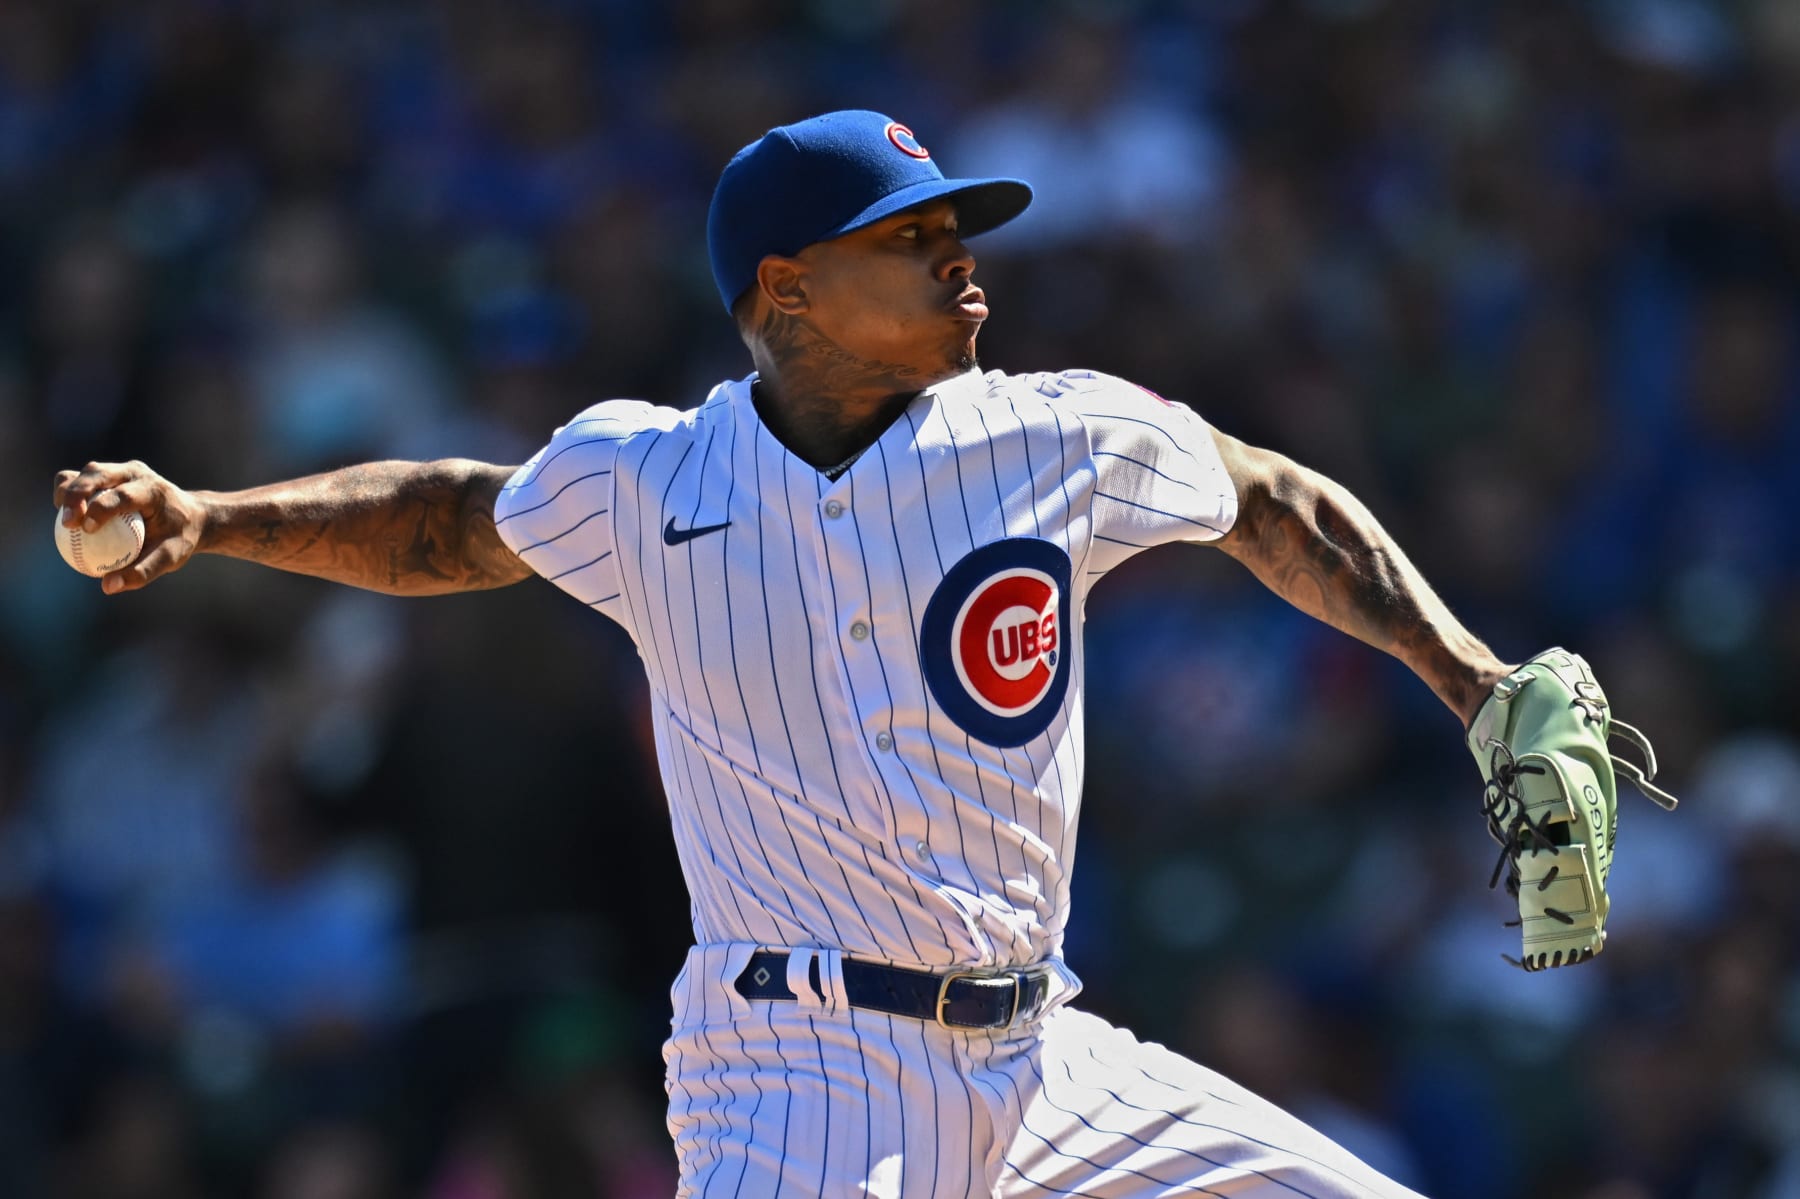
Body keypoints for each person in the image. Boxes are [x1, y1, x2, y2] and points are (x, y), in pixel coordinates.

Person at [54, 110, 1505, 1197]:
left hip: (1048, 1052)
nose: (963, 263)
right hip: (800, 1069)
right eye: (912, 240)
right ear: (789, 288)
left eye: (959, 233)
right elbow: (448, 520)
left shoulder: (1050, 433)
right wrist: (214, 518)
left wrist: (1477, 685)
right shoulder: (649, 481)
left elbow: (1268, 496)